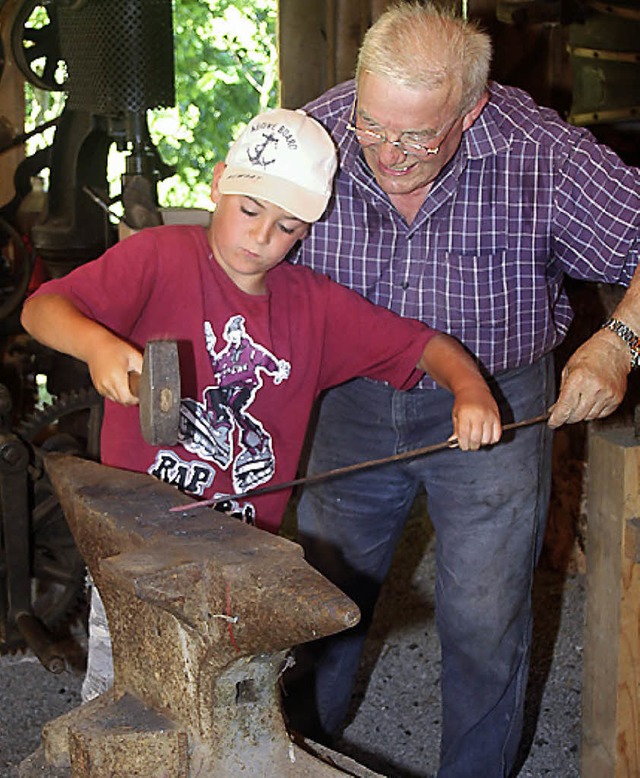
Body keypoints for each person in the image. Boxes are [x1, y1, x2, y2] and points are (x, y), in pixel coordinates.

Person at [20, 108, 502, 704]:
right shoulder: (159, 257)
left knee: (229, 704)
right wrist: (97, 344)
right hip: (133, 554)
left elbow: (424, 345)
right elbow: (40, 309)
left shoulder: (314, 310)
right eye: (249, 211)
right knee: (127, 700)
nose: (261, 238)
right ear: (221, 182)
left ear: (307, 231)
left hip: (242, 565)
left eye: (287, 227)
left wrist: (469, 388)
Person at [285, 3, 640, 777]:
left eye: (418, 135)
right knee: (320, 600)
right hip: (348, 400)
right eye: (374, 126)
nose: (387, 153)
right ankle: (299, 753)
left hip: (500, 405)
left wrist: (620, 342)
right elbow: (238, 252)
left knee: (485, 617)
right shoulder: (317, 134)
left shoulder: (537, 151)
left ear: (471, 109)